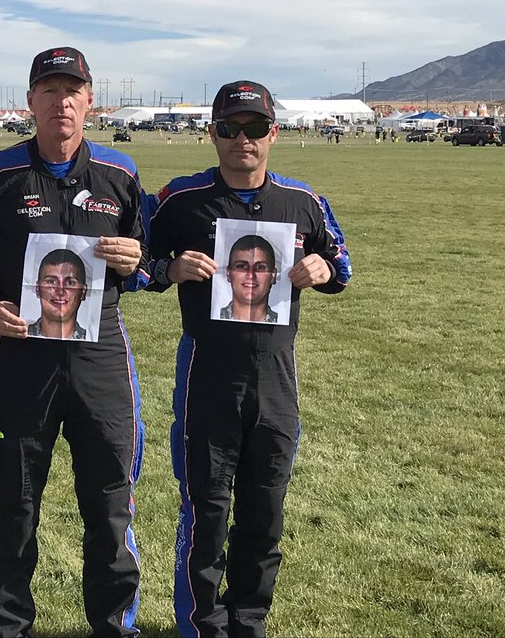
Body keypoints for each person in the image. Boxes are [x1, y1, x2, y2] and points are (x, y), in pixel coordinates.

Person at [0, 46, 147, 637]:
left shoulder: (121, 173)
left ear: (90, 101)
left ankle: (114, 626)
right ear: (30, 101)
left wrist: (138, 261)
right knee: (15, 506)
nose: (63, 101)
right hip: (22, 361)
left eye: (73, 90)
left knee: (110, 508)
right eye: (50, 90)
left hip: (100, 358)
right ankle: (8, 628)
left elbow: (151, 258)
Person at [141, 80, 352, 638]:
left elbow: (342, 259)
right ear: (212, 134)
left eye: (255, 128)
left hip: (277, 377)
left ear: (273, 133)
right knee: (206, 513)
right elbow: (127, 256)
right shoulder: (179, 198)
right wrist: (167, 270)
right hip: (207, 371)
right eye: (230, 128)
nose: (243, 139)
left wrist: (324, 270)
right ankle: (201, 626)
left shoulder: (302, 201)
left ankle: (248, 623)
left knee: (264, 512)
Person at [26, 248, 90, 339]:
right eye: (51, 282)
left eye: (70, 283)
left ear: (83, 292)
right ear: (37, 289)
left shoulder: (91, 338)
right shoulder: (20, 335)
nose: (60, 291)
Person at [218, 235, 280, 324]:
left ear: (273, 275)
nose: (251, 275)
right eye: (241, 266)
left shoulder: (281, 324)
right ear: (228, 273)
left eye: (260, 267)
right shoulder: (214, 318)